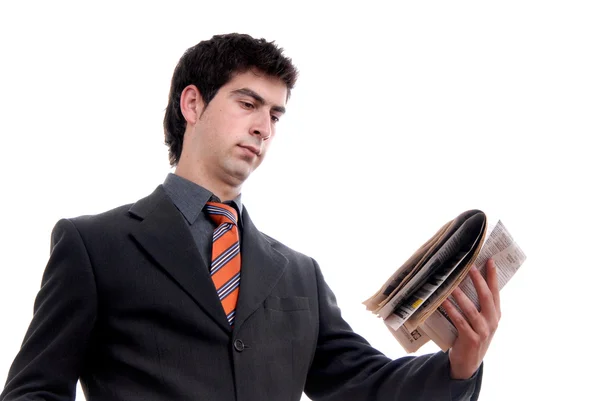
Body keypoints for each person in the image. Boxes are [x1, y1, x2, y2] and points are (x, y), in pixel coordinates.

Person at [0, 33, 501, 401]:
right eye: (248, 103)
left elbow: (364, 383)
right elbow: (34, 392)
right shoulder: (94, 246)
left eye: (276, 115)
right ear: (193, 103)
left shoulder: (299, 274)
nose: (264, 128)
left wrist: (458, 366)